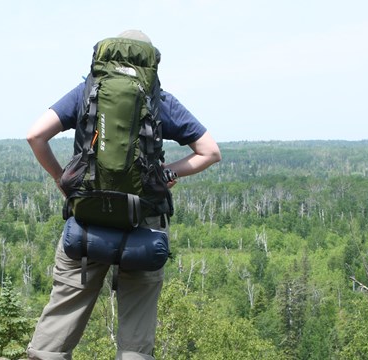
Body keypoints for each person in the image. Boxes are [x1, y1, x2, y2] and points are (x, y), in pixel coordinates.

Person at [26, 30, 222, 359]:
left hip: (87, 221)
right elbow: (210, 152)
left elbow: (35, 135)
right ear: (148, 63)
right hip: (143, 223)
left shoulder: (87, 93)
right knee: (136, 332)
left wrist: (63, 179)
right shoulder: (158, 99)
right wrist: (166, 173)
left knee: (61, 317)